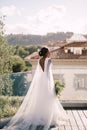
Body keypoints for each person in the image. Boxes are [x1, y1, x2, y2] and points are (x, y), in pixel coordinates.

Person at [1, 47, 69, 130]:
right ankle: (47, 117)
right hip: (46, 81)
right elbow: (49, 74)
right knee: (48, 99)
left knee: (40, 99)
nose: (50, 53)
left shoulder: (39, 60)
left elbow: (41, 72)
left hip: (41, 81)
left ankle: (41, 115)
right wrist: (51, 85)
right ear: (46, 53)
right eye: (49, 52)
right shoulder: (49, 60)